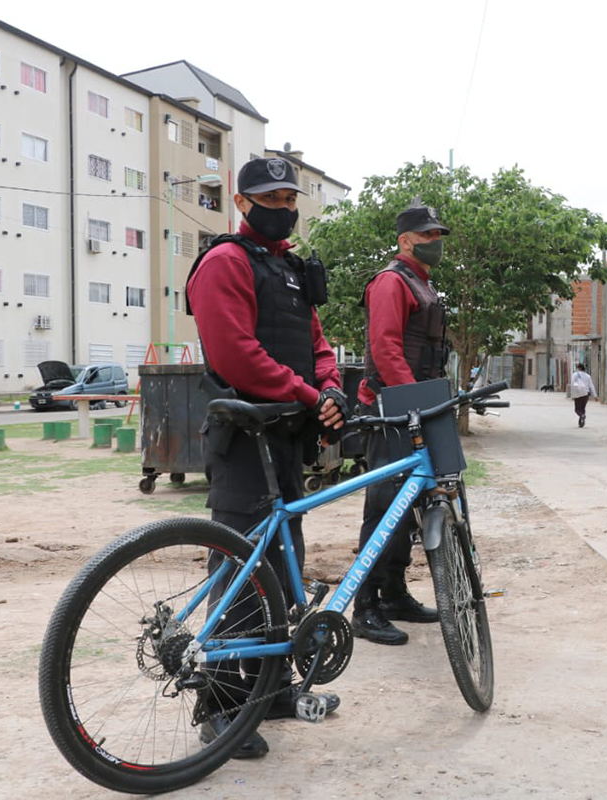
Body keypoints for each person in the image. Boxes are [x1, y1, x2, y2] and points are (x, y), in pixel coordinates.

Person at [185, 156, 348, 759]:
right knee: (240, 573)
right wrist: (310, 393)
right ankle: (221, 709)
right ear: (241, 200)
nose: (282, 208)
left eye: (288, 198)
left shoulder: (289, 269)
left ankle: (274, 690)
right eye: (269, 198)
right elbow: (236, 355)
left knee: (284, 567)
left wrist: (329, 389)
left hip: (285, 438)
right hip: (243, 437)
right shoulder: (225, 262)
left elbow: (318, 344)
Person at [352, 200, 450, 646]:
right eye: (427, 235)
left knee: (411, 507)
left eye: (438, 235)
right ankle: (365, 605)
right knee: (384, 509)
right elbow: (386, 349)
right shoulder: (392, 282)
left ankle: (394, 594)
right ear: (405, 240)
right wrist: (413, 403)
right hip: (392, 409)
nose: (435, 242)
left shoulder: (422, 284)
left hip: (414, 405)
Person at [568, 362, 598, 427]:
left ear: (578, 368)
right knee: (582, 408)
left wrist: (572, 395)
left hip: (578, 394)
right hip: (586, 394)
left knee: (577, 409)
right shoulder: (588, 376)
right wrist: (595, 396)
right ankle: (581, 421)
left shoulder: (575, 375)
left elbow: (573, 384)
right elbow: (591, 386)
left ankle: (582, 416)